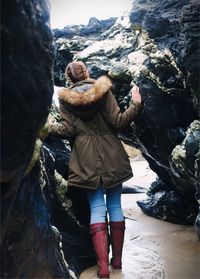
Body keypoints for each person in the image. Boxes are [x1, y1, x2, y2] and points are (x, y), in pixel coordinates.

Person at [48, 61, 142, 278]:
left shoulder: (65, 99)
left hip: (85, 160)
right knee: (115, 206)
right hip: (112, 155)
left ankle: (102, 268)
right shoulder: (104, 91)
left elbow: (68, 130)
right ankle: (117, 261)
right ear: (87, 72)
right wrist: (136, 104)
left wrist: (49, 127)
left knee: (97, 209)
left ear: (69, 79)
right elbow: (119, 121)